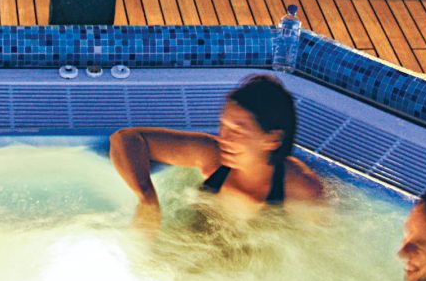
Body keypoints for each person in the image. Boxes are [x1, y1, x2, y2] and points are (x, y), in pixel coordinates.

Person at [108, 73, 324, 225]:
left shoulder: (301, 189)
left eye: (237, 131)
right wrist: (147, 198)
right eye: (223, 125)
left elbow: (321, 250)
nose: (224, 138)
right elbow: (126, 139)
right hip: (189, 254)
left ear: (272, 139)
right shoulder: (213, 156)